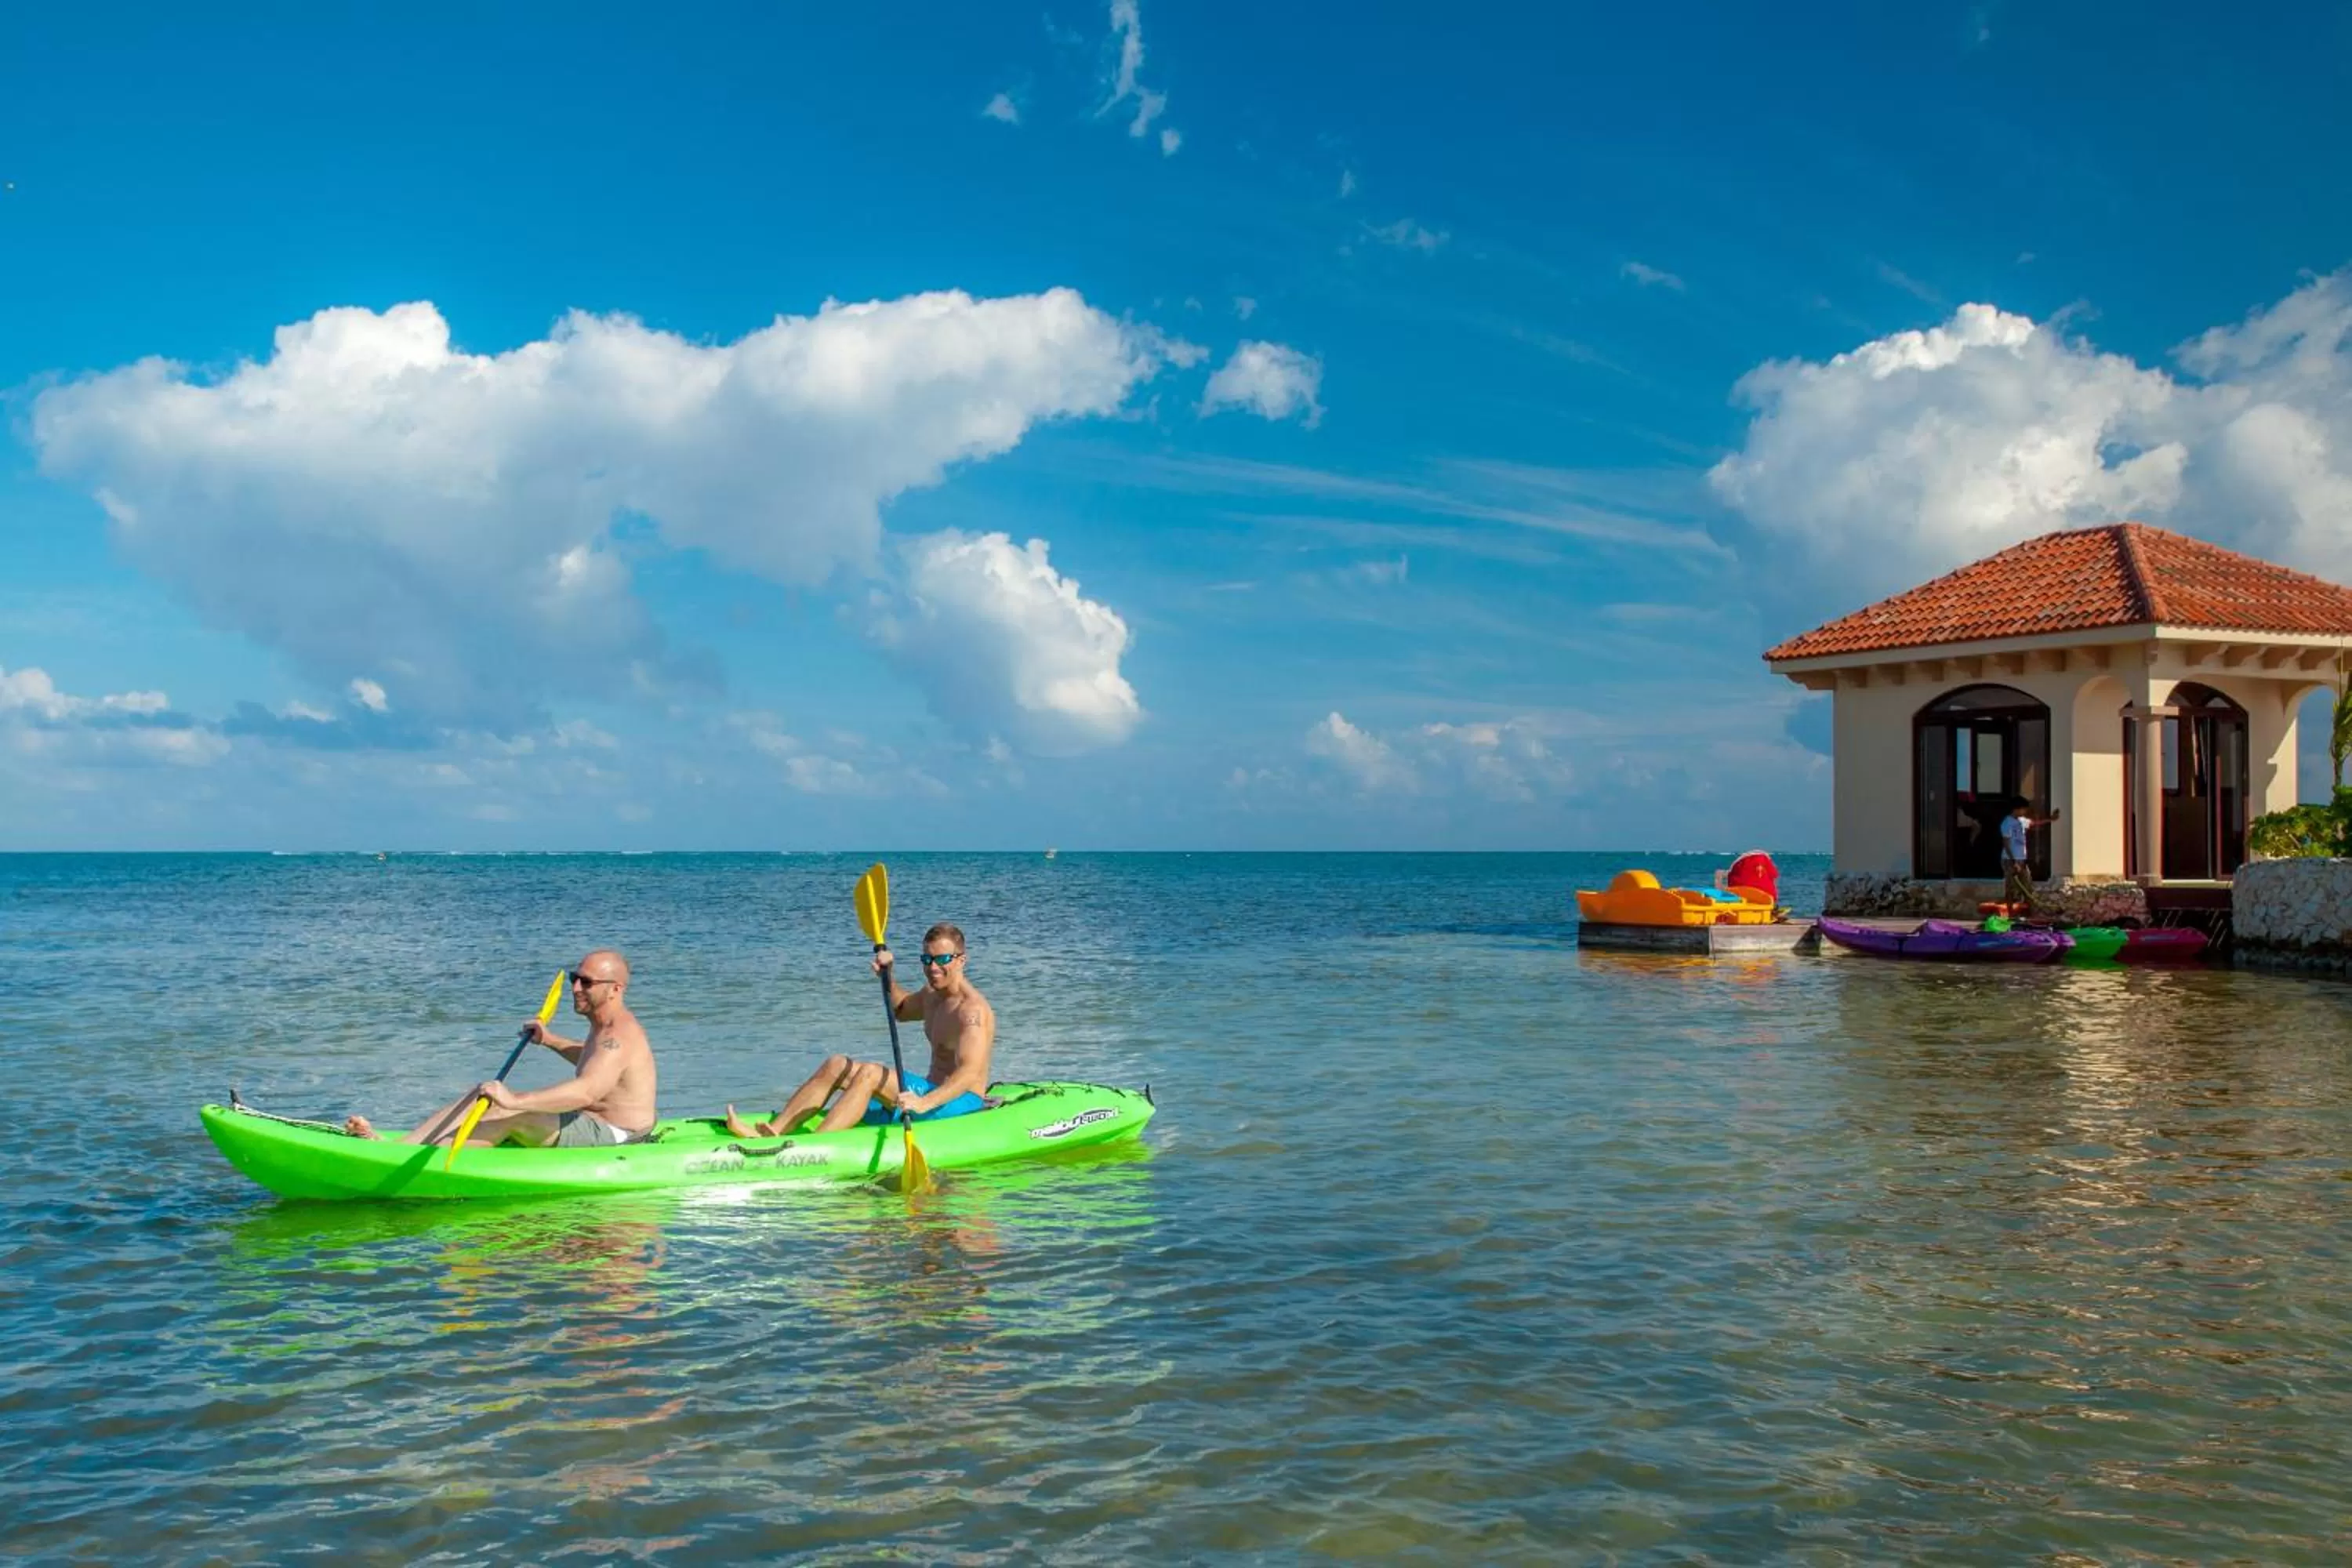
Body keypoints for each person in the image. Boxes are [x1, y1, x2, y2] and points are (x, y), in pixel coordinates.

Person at [344, 948, 659, 1147]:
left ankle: (427, 1165)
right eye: (575, 979)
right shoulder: (603, 1029)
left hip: (618, 1135)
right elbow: (594, 1062)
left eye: (586, 983)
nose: (575, 988)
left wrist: (516, 1100)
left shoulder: (618, 1035)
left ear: (616, 989)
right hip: (588, 1120)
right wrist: (550, 1040)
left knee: (511, 1114)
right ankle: (399, 1148)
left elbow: (587, 1091)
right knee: (483, 1094)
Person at [727, 923, 996, 1138]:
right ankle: (774, 1132)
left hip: (960, 1101)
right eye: (927, 959)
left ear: (961, 960)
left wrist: (923, 1103)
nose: (933, 967)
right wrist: (887, 976)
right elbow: (901, 1010)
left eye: (942, 959)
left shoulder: (971, 1011)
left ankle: (817, 1149)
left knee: (870, 1073)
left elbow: (968, 1073)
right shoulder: (931, 996)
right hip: (928, 1093)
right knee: (837, 1065)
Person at [1998, 803, 2038, 913]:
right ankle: (2010, 912)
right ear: (2016, 809)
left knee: (2027, 885)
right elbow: (2006, 844)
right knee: (2011, 887)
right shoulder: (2007, 823)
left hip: (2022, 859)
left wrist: (2051, 819)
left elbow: (2034, 823)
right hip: (2010, 859)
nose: (2024, 812)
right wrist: (2013, 861)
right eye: (2023, 810)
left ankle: (2030, 912)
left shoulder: (2021, 821)